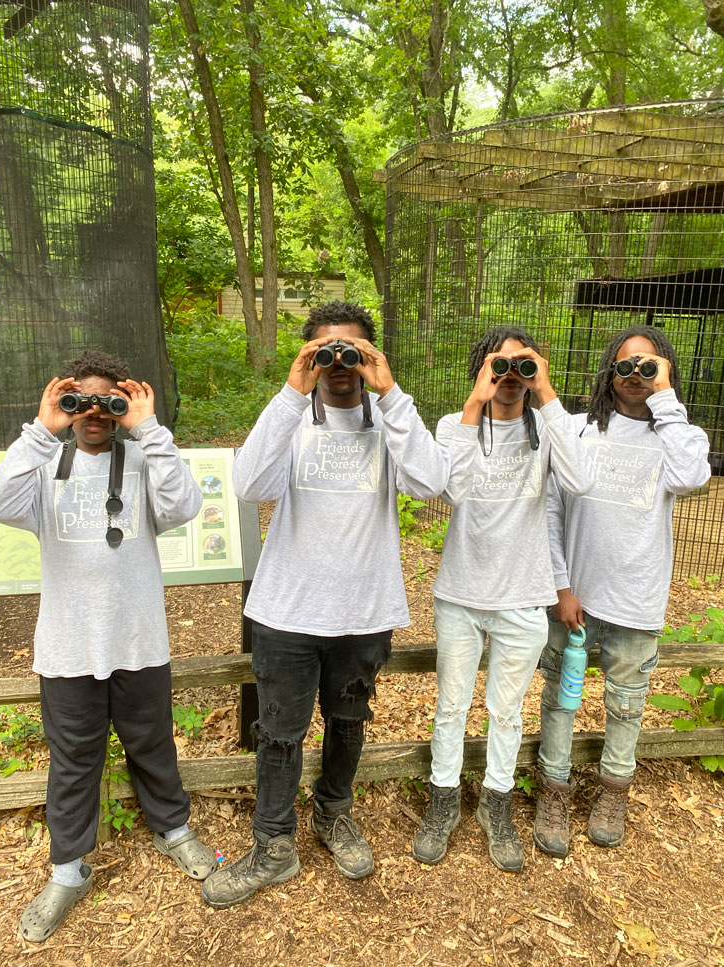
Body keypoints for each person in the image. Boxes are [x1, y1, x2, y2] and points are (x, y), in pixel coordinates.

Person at [201, 301, 449, 909]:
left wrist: (392, 396)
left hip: (362, 609)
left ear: (372, 359)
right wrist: (291, 392)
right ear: (308, 359)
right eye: (325, 351)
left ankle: (333, 814)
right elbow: (249, 485)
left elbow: (430, 482)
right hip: (287, 610)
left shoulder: (388, 420)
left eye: (354, 351)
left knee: (347, 722)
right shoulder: (293, 420)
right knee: (279, 733)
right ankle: (273, 844)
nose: (340, 363)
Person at [0, 350, 216, 942]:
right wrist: (40, 430)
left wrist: (150, 428)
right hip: (66, 646)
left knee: (152, 743)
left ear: (122, 407)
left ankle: (174, 830)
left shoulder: (141, 459)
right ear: (63, 404)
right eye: (78, 400)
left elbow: (186, 505)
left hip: (138, 641)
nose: (93, 413)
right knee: (74, 758)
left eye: (107, 402)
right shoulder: (43, 465)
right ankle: (67, 869)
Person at [412, 326, 594, 873]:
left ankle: (497, 804)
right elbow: (454, 491)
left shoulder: (549, 426)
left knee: (506, 711)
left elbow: (581, 480)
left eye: (523, 366)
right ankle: (442, 802)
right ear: (481, 370)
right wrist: (475, 402)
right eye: (500, 367)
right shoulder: (454, 425)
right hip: (462, 591)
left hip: (523, 594)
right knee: (450, 705)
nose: (511, 377)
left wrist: (549, 393)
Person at [534, 326, 710, 856]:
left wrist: (666, 399)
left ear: (667, 373)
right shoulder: (580, 432)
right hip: (575, 603)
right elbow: (550, 512)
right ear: (608, 373)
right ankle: (554, 791)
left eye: (648, 366)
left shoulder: (680, 436)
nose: (636, 375)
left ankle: (613, 793)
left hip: (637, 599)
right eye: (626, 365)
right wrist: (561, 587)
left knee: (628, 706)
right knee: (560, 701)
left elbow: (691, 477)